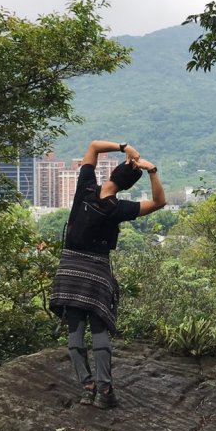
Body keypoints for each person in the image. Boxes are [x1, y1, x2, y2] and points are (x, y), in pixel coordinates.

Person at [49, 140, 166, 409]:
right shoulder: (119, 208)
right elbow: (160, 202)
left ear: (112, 174)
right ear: (127, 186)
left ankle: (86, 387)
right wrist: (152, 170)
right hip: (97, 271)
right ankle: (105, 389)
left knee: (75, 329)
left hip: (70, 268)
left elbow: (92, 146)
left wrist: (126, 147)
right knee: (99, 326)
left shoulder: (86, 187)